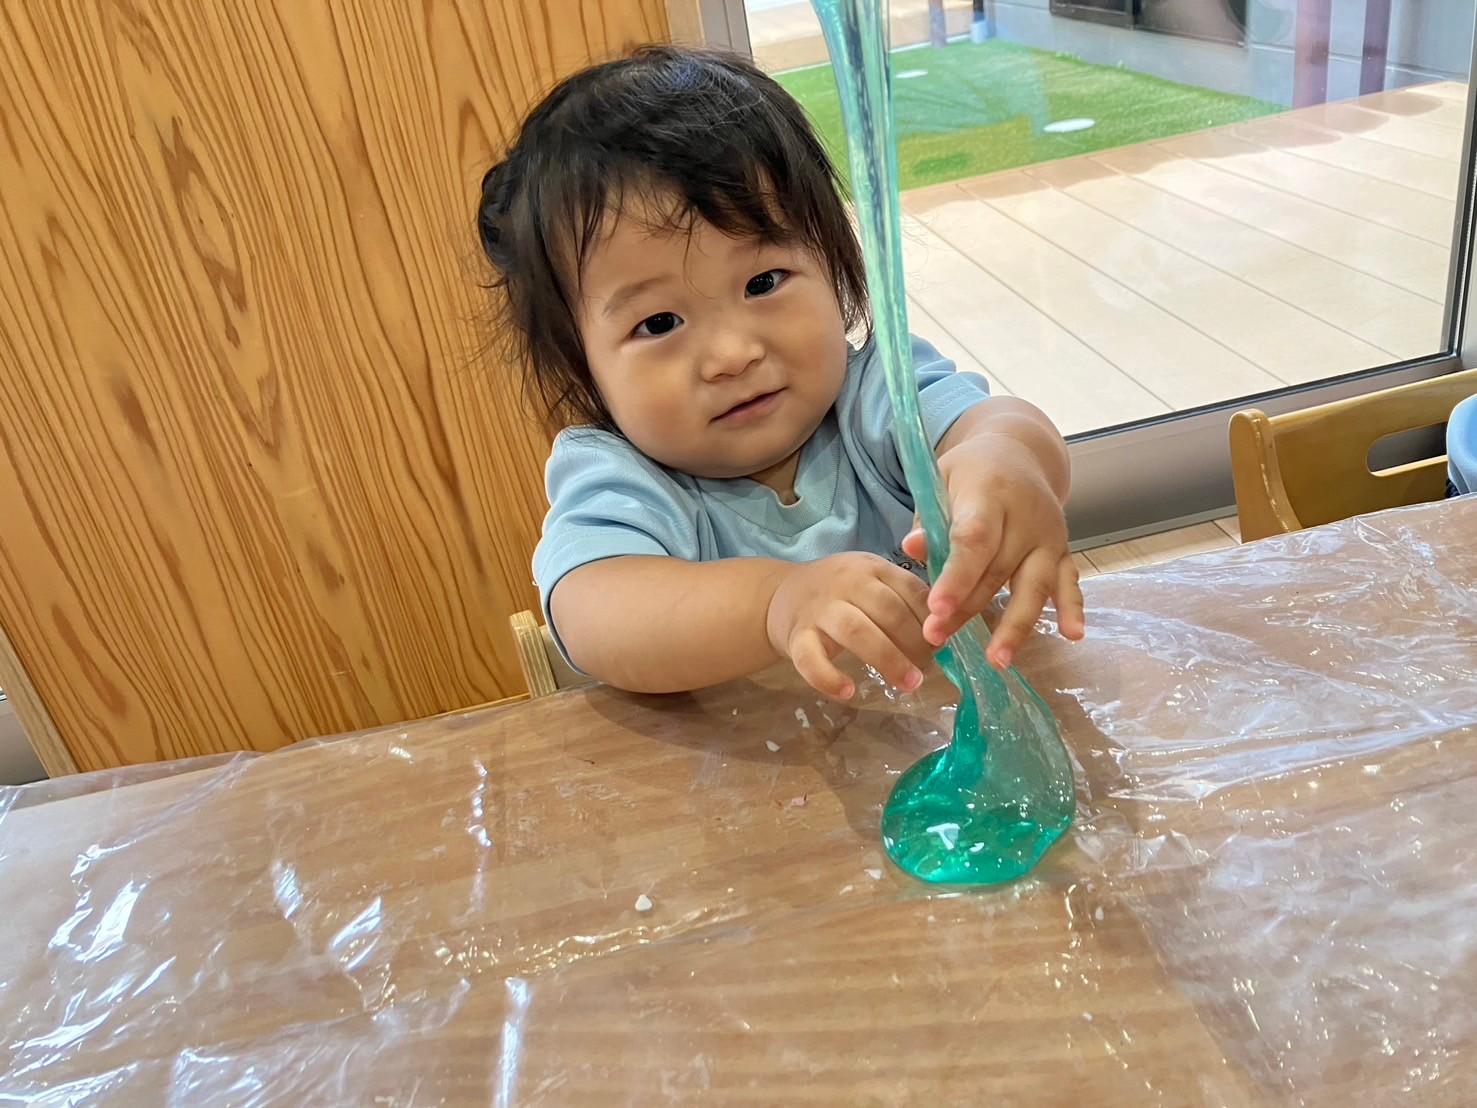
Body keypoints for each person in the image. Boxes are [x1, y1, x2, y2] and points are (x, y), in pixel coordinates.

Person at [477, 45, 1083, 702]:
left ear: (833, 265)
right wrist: (777, 602)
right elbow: (593, 611)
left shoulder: (873, 395)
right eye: (658, 323)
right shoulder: (623, 478)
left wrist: (1008, 461)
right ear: (584, 364)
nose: (732, 355)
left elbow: (992, 426)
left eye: (763, 282)